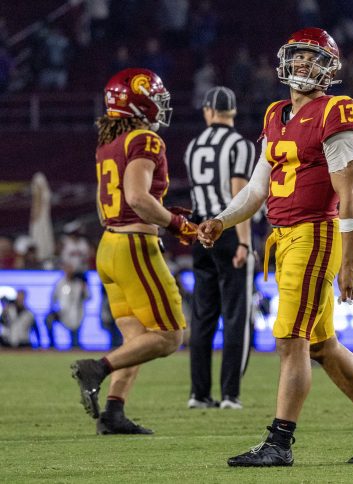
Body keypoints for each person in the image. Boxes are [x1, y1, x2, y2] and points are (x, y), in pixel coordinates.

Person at [198, 28, 353, 466]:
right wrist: (222, 220)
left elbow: (350, 195)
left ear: (329, 68)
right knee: (320, 345)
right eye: (297, 58)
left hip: (315, 235)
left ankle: (279, 442)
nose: (302, 66)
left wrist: (351, 262)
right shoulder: (276, 114)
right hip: (285, 236)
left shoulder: (337, 111)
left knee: (290, 338)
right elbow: (257, 188)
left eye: (312, 59)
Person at [70, 67, 197, 435]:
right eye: (155, 98)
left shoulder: (109, 143)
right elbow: (139, 198)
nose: (159, 105)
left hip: (108, 245)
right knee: (170, 335)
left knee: (137, 339)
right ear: (138, 102)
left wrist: (163, 215)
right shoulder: (145, 139)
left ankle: (113, 413)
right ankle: (98, 368)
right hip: (134, 245)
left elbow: (104, 205)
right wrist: (176, 224)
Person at [183, 85, 256, 410]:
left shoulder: (193, 146)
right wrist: (243, 240)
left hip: (200, 230)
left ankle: (198, 393)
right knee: (236, 314)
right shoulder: (238, 144)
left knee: (203, 314)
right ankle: (230, 394)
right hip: (227, 228)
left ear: (208, 111)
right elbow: (239, 194)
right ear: (233, 112)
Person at [45, 263, 90, 349]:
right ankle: (52, 345)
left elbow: (88, 297)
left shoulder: (79, 283)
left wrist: (84, 287)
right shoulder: (60, 283)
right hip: (62, 313)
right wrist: (53, 309)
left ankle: (75, 348)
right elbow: (53, 298)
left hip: (76, 313)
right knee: (48, 319)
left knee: (75, 340)